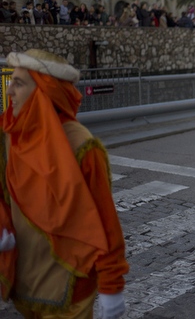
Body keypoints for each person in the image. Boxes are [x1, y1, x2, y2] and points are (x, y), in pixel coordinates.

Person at [0, 49, 129, 318]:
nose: (9, 91)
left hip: (70, 290)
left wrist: (111, 287)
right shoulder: (10, 136)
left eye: (19, 83)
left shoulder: (82, 146)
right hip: (24, 284)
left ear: (44, 93)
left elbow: (105, 225)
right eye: (11, 80)